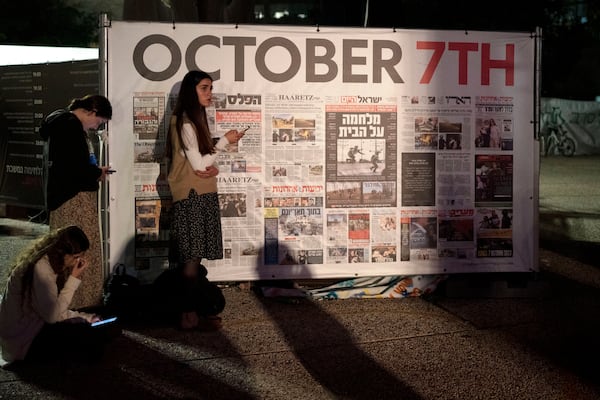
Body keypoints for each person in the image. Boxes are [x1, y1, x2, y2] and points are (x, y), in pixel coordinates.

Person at [160, 70, 244, 330]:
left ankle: (192, 311)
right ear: (191, 90)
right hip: (193, 196)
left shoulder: (193, 120)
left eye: (210, 88)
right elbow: (198, 164)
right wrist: (224, 143)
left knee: (193, 259)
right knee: (191, 259)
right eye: (204, 88)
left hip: (199, 194)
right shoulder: (185, 121)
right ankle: (188, 315)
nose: (210, 93)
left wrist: (214, 162)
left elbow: (199, 161)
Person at [0, 226, 118, 367]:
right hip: (22, 342)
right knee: (90, 335)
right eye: (75, 257)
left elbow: (52, 309)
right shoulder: (42, 270)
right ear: (61, 252)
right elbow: (52, 316)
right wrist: (74, 278)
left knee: (98, 315)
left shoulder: (46, 262)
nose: (77, 261)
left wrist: (86, 317)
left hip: (29, 329)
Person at [39, 94, 113, 310]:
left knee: (64, 249)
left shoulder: (59, 123)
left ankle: (67, 301)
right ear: (91, 112)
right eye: (98, 122)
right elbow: (75, 168)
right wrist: (96, 172)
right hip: (74, 199)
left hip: (62, 199)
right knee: (80, 248)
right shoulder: (71, 127)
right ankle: (82, 302)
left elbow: (66, 165)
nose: (96, 127)